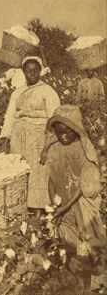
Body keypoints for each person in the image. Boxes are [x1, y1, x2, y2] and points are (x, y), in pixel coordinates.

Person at [42, 104, 106, 294]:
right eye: (59, 132)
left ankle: (87, 287)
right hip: (63, 205)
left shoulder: (85, 150)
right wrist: (54, 204)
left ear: (76, 130)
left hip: (79, 205)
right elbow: (52, 179)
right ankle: (69, 283)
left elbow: (84, 186)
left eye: (67, 132)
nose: (63, 136)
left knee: (86, 246)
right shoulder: (55, 149)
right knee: (66, 245)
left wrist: (66, 206)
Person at [0, 56, 61, 215]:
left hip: (38, 136)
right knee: (20, 170)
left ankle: (39, 206)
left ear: (40, 71)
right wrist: (5, 136)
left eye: (35, 70)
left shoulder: (48, 91)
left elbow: (54, 117)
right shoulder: (18, 92)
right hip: (19, 137)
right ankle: (22, 206)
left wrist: (50, 141)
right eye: (28, 71)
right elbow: (10, 115)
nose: (32, 73)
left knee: (38, 171)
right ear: (23, 72)